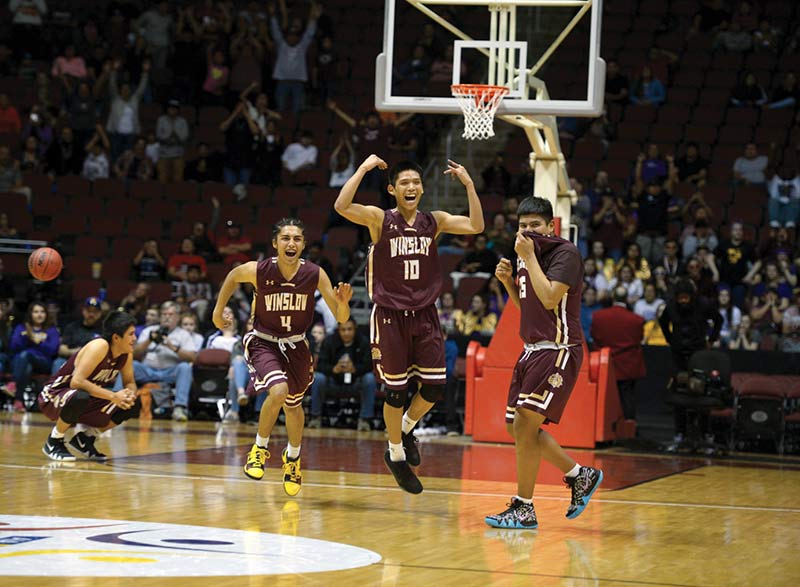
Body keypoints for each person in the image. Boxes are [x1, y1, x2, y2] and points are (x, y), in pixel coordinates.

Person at [334, 156, 483, 494]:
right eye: (404, 183)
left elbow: (476, 226)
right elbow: (341, 205)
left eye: (416, 182)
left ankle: (403, 430)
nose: (411, 187)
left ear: (422, 188)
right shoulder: (379, 219)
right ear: (392, 189)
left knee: (433, 389)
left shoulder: (435, 221)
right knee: (397, 391)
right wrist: (363, 169)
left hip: (426, 314)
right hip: (389, 315)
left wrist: (470, 185)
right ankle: (397, 454)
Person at [211, 218, 352, 497]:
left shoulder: (315, 274)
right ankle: (259, 449)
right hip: (264, 341)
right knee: (278, 390)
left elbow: (341, 318)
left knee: (293, 406)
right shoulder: (260, 270)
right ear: (275, 243)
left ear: (304, 244)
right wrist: (218, 311)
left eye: (297, 238)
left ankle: (293, 459)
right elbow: (232, 275)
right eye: (286, 238)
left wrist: (344, 303)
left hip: (297, 345)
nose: (291, 243)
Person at [485, 196, 602, 529]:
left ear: (550, 226)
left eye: (535, 225)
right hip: (532, 348)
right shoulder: (525, 256)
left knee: (524, 424)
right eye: (523, 226)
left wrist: (527, 259)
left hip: (559, 347)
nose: (528, 231)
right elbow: (530, 307)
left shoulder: (566, 253)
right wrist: (509, 281)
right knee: (516, 427)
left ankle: (524, 507)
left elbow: (550, 298)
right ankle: (580, 475)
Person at [38, 311, 138, 461]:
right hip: (55, 393)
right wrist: (113, 396)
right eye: (130, 334)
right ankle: (54, 441)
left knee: (132, 404)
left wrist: (130, 394)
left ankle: (85, 439)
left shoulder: (126, 353)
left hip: (86, 397)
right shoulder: (99, 346)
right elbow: (76, 382)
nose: (134, 338)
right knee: (81, 395)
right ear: (116, 338)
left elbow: (129, 382)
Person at [131, 301, 197, 422]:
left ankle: (179, 408)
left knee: (185, 367)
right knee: (130, 365)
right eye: (164, 314)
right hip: (148, 371)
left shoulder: (183, 334)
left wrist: (172, 347)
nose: (167, 317)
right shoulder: (149, 331)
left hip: (170, 372)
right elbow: (134, 354)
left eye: (171, 314)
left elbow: (193, 357)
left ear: (177, 317)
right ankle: (116, 402)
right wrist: (149, 340)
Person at [308, 318, 376, 431]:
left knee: (369, 378)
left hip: (356, 384)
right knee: (318, 378)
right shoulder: (329, 341)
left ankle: (365, 420)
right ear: (338, 330)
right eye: (343, 329)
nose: (346, 332)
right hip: (333, 383)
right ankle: (315, 417)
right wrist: (334, 369)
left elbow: (369, 366)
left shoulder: (363, 342)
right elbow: (320, 365)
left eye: (349, 329)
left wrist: (355, 369)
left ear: (355, 329)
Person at [591, 286, 646, 421]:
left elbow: (595, 337)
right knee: (627, 397)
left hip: (605, 365)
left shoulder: (598, 317)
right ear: (627, 299)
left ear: (613, 298)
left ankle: (605, 425)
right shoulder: (637, 320)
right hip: (628, 366)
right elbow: (639, 339)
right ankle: (628, 428)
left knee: (605, 397)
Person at [9, 301, 60, 412]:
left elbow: (53, 350)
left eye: (42, 312)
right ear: (30, 314)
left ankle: (14, 384)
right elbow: (13, 346)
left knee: (26, 355)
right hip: (22, 364)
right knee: (26, 366)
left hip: (43, 363)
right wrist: (27, 337)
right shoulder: (21, 327)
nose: (39, 314)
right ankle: (18, 402)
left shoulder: (51, 330)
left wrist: (37, 341)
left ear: (46, 314)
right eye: (36, 312)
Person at [52, 297, 104, 374]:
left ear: (100, 314)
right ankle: (54, 385)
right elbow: (62, 349)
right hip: (71, 359)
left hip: (93, 362)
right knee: (58, 362)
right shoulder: (72, 327)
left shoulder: (104, 330)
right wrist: (76, 352)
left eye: (95, 312)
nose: (91, 314)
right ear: (83, 311)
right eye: (89, 311)